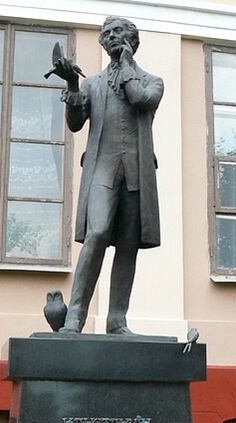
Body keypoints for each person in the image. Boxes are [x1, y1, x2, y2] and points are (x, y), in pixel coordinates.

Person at [54, 16, 164, 335]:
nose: (111, 36)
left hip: (136, 172)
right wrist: (72, 84)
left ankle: (117, 320)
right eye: (107, 33)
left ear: (132, 39)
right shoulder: (92, 84)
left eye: (118, 32)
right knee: (98, 232)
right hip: (102, 168)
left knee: (128, 246)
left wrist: (126, 64)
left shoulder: (152, 81)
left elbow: (140, 99)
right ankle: (75, 317)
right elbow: (76, 123)